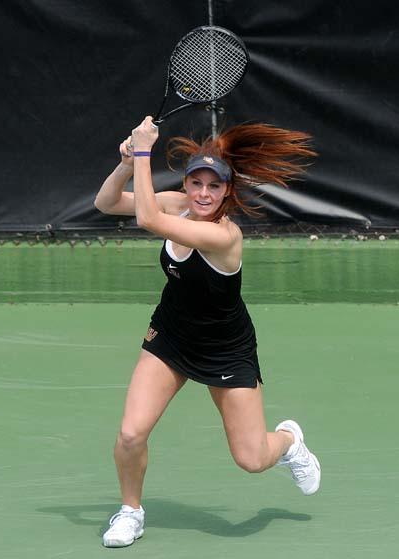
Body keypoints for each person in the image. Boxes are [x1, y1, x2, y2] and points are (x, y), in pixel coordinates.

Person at [94, 116, 321, 548]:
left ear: (226, 190)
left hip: (226, 350)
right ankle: (131, 511)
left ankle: (290, 442)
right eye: (195, 183)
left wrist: (144, 150)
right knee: (130, 433)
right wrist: (126, 163)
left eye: (212, 186)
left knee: (252, 459)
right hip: (172, 337)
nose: (202, 193)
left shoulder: (224, 236)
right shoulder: (178, 203)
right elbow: (107, 204)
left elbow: (146, 218)